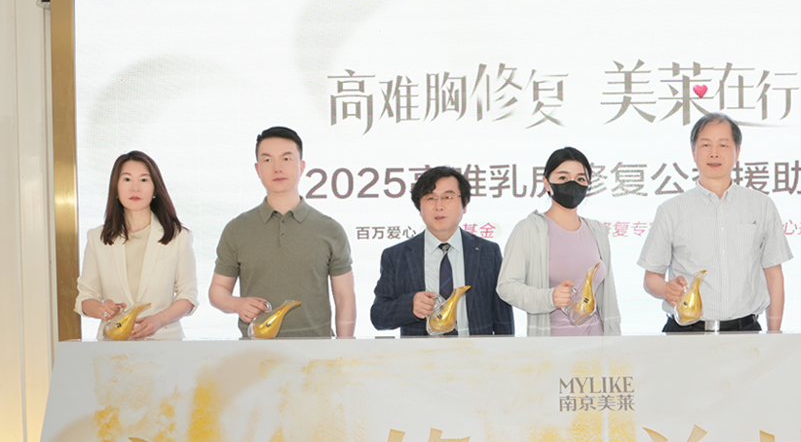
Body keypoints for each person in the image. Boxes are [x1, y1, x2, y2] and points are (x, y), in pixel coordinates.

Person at [638, 112, 792, 333]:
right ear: (693, 152)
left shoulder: (761, 205)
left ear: (737, 151)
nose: (714, 153)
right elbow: (651, 277)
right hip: (685, 332)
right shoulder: (671, 211)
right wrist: (665, 289)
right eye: (706, 145)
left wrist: (774, 332)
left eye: (723, 145)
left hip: (745, 331)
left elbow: (773, 274)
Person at [209, 126, 356, 338]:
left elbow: (344, 296)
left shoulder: (330, 229)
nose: (277, 168)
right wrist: (236, 304)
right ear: (257, 169)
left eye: (286, 159)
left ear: (301, 166)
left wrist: (344, 346)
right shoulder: (237, 229)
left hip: (317, 348)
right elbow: (218, 290)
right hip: (255, 348)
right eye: (267, 160)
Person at [370, 166, 514, 336]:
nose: (439, 206)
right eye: (430, 198)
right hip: (420, 352)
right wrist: (409, 306)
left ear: (464, 204)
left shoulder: (488, 252)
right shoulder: (396, 256)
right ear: (420, 207)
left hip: (475, 351)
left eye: (448, 197)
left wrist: (507, 351)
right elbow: (378, 317)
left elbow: (503, 319)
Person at [76, 150, 198, 339]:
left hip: (164, 342)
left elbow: (188, 296)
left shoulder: (178, 237)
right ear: (115, 187)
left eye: (143, 180)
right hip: (113, 343)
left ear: (155, 188)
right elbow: (85, 297)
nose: (135, 188)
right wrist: (101, 309)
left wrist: (160, 319)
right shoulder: (97, 238)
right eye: (127, 179)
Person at [497, 147, 620, 336]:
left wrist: (615, 340)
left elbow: (608, 297)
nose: (572, 184)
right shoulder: (529, 229)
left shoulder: (598, 231)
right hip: (551, 344)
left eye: (580, 179)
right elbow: (506, 287)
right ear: (547, 183)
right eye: (563, 177)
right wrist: (549, 298)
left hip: (597, 343)